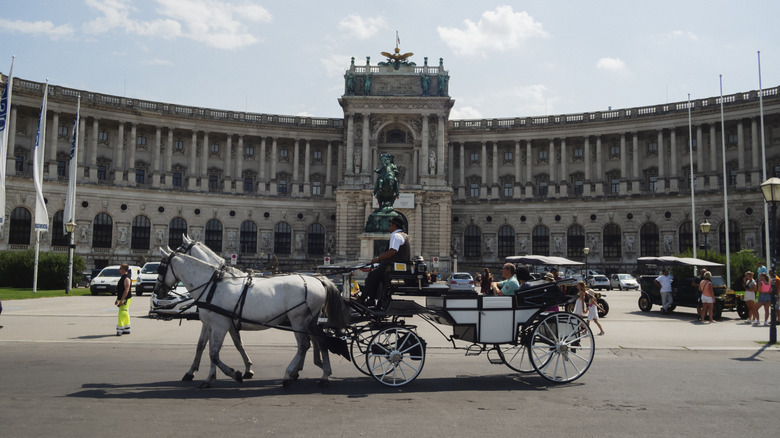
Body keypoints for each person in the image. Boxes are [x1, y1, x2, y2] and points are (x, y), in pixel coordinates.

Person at [363, 216, 409, 308]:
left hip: (391, 267)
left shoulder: (396, 236)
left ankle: (363, 298)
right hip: (397, 266)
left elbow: (393, 251)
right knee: (378, 277)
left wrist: (378, 258)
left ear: (394, 226)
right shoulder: (403, 235)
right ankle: (376, 299)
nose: (389, 227)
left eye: (390, 225)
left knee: (372, 275)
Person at [115, 263, 132, 336]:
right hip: (122, 298)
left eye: (120, 268)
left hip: (126, 298)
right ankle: (126, 328)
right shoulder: (123, 277)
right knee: (125, 313)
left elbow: (126, 290)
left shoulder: (126, 278)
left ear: (124, 269)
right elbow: (120, 290)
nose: (119, 270)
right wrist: (117, 299)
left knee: (122, 313)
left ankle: (120, 329)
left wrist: (122, 300)